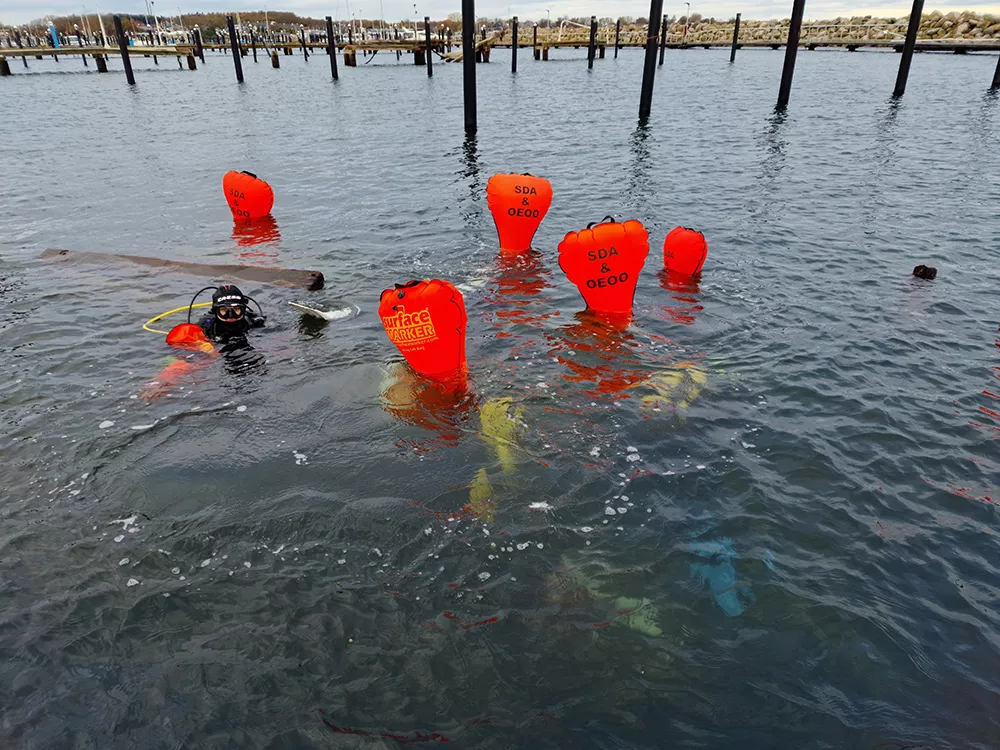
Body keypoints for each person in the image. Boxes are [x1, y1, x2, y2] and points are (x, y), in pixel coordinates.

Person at [198, 284, 265, 341]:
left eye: (236, 309)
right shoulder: (206, 327)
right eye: (224, 309)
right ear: (215, 311)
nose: (230, 315)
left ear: (243, 309)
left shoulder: (253, 322)